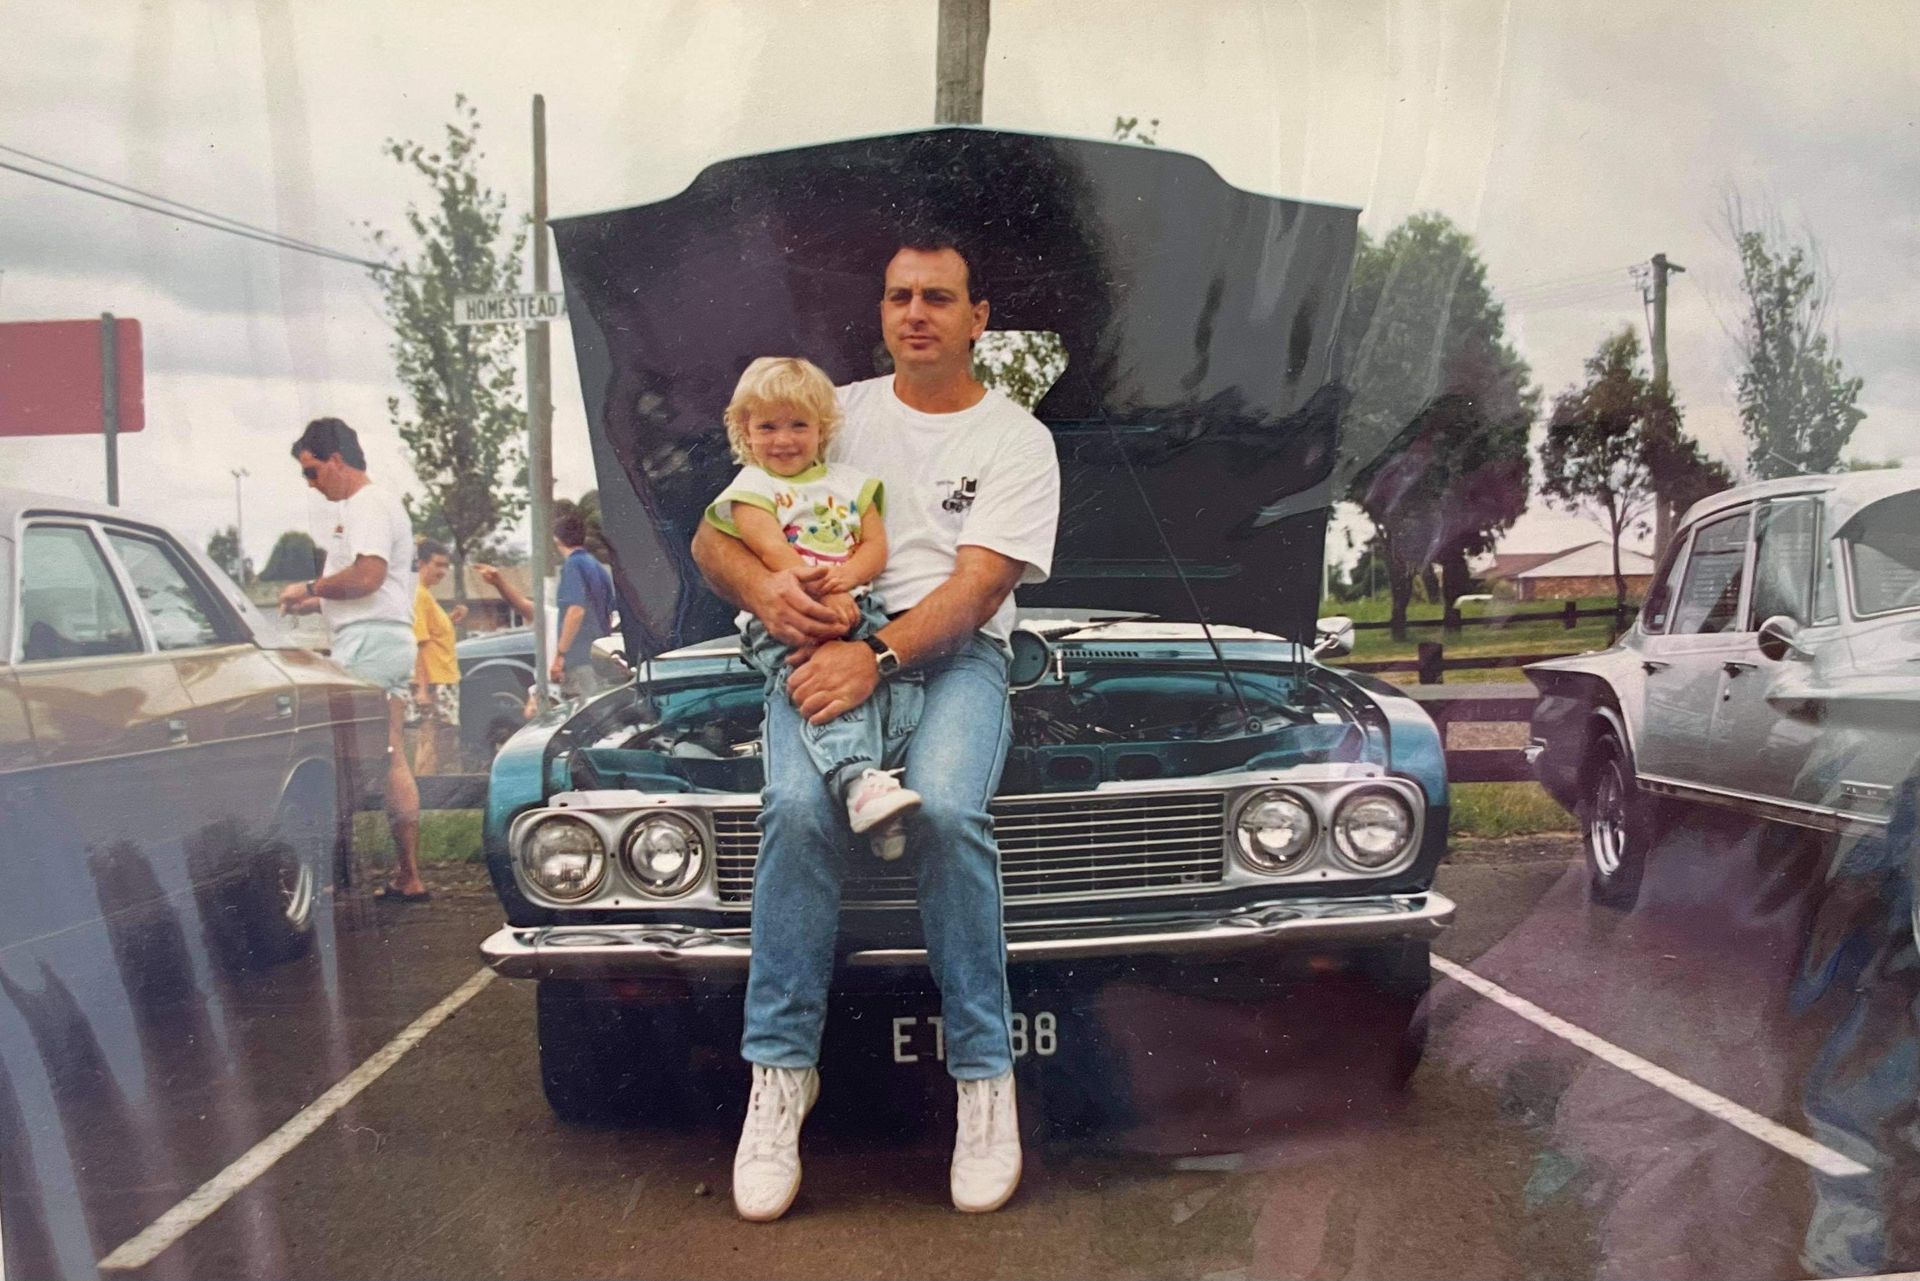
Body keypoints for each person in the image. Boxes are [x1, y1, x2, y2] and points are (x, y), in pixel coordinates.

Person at [691, 233, 1061, 1220]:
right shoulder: (831, 412)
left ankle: (985, 1084)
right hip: (818, 648)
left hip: (950, 661)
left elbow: (980, 586)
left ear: (979, 319)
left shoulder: (1017, 439)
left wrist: (880, 656)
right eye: (899, 295)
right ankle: (779, 1080)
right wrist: (768, 589)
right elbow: (711, 533)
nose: (915, 313)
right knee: (799, 815)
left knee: (941, 811)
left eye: (939, 297)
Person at [705, 356, 921, 861]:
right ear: (745, 430)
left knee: (890, 693)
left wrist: (849, 578)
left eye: (798, 424)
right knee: (825, 693)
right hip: (788, 615)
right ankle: (856, 783)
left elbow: (874, 546)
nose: (783, 439)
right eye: (768, 427)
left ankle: (875, 802)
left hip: (857, 603)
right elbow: (775, 554)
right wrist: (828, 594)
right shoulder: (751, 488)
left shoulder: (852, 483)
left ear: (823, 428)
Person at [278, 417, 429, 903]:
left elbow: (367, 577)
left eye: (312, 471)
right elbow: (364, 586)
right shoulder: (367, 506)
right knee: (386, 755)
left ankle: (353, 875)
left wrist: (309, 587)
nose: (310, 483)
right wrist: (318, 600)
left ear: (337, 461)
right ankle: (403, 874)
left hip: (370, 641)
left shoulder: (366, 504)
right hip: (376, 635)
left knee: (363, 756)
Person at [409, 539, 466, 776]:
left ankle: (427, 788)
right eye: (438, 565)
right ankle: (424, 790)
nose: (443, 571)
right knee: (430, 737)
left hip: (444, 678)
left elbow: (432, 635)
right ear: (421, 563)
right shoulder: (418, 595)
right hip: (433, 682)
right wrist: (423, 690)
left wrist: (450, 619)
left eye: (446, 566)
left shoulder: (426, 596)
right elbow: (418, 645)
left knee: (441, 739)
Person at [551, 509, 617, 700]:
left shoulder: (573, 566)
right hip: (600, 655)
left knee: (583, 716)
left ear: (557, 539)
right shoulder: (596, 566)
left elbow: (576, 611)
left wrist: (560, 655)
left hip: (579, 657)